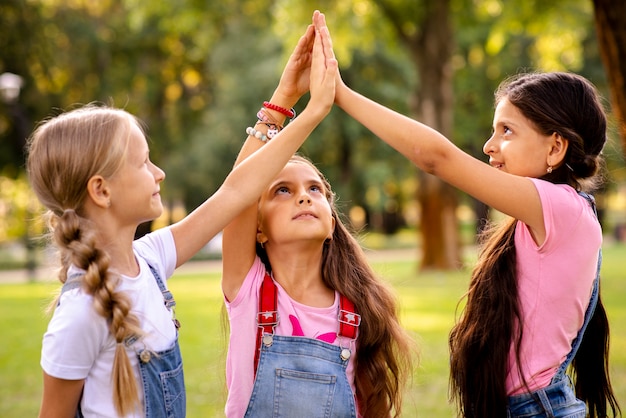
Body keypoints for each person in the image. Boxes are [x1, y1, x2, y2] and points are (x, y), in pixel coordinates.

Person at [316, 13, 622, 418]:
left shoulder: (562, 210)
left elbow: (437, 158)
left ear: (555, 148)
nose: (489, 146)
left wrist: (341, 95)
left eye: (507, 131)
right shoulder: (545, 217)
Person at [27, 18, 336, 418]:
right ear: (101, 191)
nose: (159, 173)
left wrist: (282, 101)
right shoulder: (81, 312)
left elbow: (236, 192)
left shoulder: (152, 258)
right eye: (143, 163)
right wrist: (312, 114)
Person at [220, 12, 415, 418]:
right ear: (258, 228)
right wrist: (283, 100)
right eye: (282, 191)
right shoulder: (249, 290)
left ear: (331, 222)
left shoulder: (359, 311)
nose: (304, 198)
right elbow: (237, 190)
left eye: (315, 190)